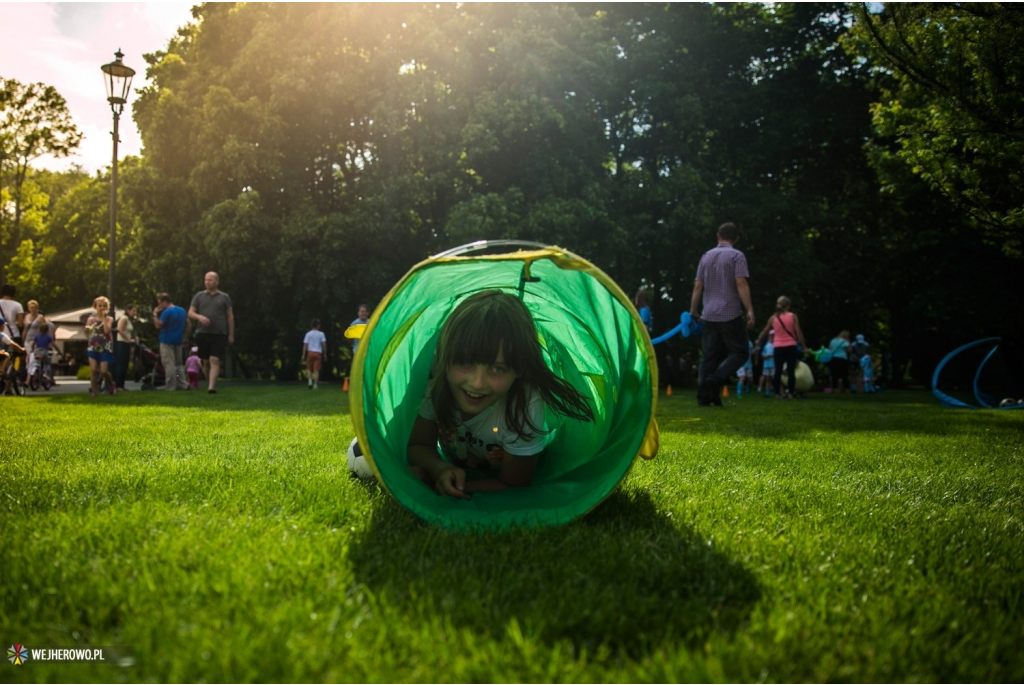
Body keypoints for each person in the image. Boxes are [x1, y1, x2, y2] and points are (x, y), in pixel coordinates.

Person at [407, 290, 595, 499]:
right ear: (445, 356)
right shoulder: (438, 385)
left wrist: (452, 486)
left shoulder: (524, 403)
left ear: (520, 368)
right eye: (465, 363)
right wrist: (439, 469)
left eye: (497, 369)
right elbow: (419, 445)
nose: (477, 383)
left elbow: (514, 483)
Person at [690, 222, 755, 406]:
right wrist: (749, 309)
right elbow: (741, 283)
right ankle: (716, 380)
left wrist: (693, 312)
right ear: (736, 238)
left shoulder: (705, 257)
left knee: (709, 356)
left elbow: (698, 286)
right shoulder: (736, 256)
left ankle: (704, 397)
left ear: (718, 236)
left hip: (708, 314)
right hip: (730, 313)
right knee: (740, 352)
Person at [188, 272, 234, 394]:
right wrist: (200, 317)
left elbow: (230, 317)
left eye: (211, 280)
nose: (208, 282)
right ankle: (209, 382)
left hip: (219, 333)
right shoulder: (199, 296)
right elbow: (190, 313)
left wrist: (231, 334)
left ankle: (211, 387)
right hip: (203, 333)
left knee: (215, 359)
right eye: (206, 280)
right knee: (206, 362)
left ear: (217, 281)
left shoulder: (224, 297)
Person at [757, 296, 808, 400]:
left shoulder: (773, 318)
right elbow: (798, 332)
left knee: (778, 371)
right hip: (791, 346)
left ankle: (777, 394)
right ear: (788, 306)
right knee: (790, 371)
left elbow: (765, 330)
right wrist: (804, 346)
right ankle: (790, 393)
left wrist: (759, 340)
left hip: (778, 346)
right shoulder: (792, 316)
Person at [153, 293, 190, 392]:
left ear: (165, 302)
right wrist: (186, 337)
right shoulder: (181, 310)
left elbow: (159, 325)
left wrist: (154, 315)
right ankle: (182, 384)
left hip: (166, 340)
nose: (159, 306)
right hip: (178, 340)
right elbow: (188, 324)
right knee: (178, 364)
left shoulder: (167, 312)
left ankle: (171, 386)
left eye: (160, 303)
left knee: (169, 364)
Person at [86, 296, 116, 396]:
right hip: (92, 346)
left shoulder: (109, 319)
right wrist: (87, 327)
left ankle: (111, 384)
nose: (102, 308)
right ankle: (94, 390)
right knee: (94, 369)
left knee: (103, 371)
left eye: (104, 306)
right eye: (100, 306)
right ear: (95, 307)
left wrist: (103, 318)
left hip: (104, 347)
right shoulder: (91, 319)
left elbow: (107, 331)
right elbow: (86, 331)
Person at [114, 304, 139, 391]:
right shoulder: (124, 318)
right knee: (121, 364)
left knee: (125, 364)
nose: (135, 313)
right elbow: (119, 330)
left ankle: (122, 385)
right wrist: (129, 339)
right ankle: (118, 385)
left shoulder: (129, 320)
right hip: (121, 343)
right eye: (133, 311)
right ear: (128, 310)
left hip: (126, 343)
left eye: (135, 311)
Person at [0, 316, 26, 396]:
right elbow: (12, 344)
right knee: (7, 355)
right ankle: (1, 372)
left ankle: (8, 389)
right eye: (3, 325)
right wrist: (21, 349)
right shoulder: (2, 335)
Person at [22, 300, 47, 378]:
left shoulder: (40, 317)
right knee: (29, 357)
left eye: (34, 307)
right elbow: (25, 329)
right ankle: (30, 373)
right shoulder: (26, 317)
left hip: (36, 340)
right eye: (31, 307)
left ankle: (32, 375)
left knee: (33, 357)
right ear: (28, 308)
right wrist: (22, 339)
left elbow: (44, 328)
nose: (32, 309)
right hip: (27, 339)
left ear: (37, 308)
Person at [302, 319, 327, 389]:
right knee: (316, 370)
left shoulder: (308, 334)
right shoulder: (321, 334)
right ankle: (315, 384)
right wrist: (325, 353)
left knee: (309, 368)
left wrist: (303, 354)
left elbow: (305, 344)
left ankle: (310, 380)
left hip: (310, 352)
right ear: (318, 325)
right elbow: (324, 344)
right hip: (318, 352)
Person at [757, 330, 776, 397]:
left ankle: (778, 390)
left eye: (773, 335)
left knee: (774, 377)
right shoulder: (766, 345)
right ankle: (768, 392)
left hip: (773, 364)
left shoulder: (776, 345)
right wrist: (765, 356)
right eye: (771, 335)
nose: (772, 337)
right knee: (768, 379)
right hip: (767, 364)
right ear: (769, 336)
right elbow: (762, 355)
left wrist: (771, 355)